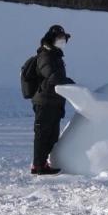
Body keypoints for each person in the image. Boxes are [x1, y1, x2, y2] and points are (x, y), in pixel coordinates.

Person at [31, 25, 75, 175]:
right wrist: (69, 82)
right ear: (52, 39)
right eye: (60, 39)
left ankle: (45, 164)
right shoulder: (45, 55)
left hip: (55, 102)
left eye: (64, 39)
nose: (63, 42)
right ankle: (38, 165)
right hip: (44, 101)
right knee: (42, 134)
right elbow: (52, 76)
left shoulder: (56, 55)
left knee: (52, 135)